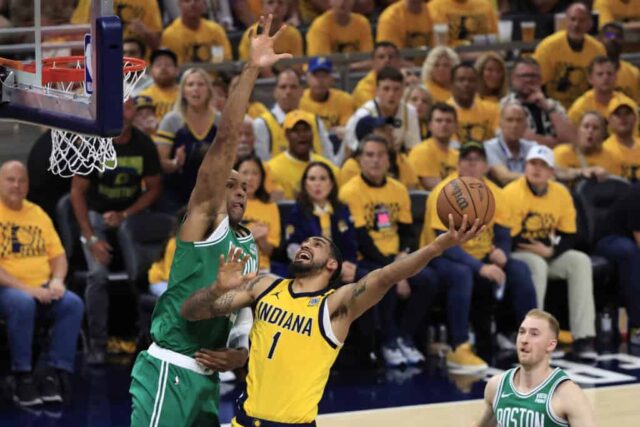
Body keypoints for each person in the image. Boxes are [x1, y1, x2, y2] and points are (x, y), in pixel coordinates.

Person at [129, 15, 290, 426]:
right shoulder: (201, 222)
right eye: (229, 183)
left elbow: (241, 315)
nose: (237, 190)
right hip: (170, 368)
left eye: (243, 186)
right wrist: (252, 70)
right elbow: (225, 140)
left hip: (207, 380)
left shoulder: (249, 245)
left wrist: (240, 353)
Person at [180, 211, 479, 426]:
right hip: (242, 422)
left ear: (332, 264)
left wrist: (437, 247)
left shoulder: (335, 306)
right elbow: (191, 312)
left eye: (317, 244)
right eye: (305, 243)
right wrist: (216, 289)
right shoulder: (264, 284)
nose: (307, 245)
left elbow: (387, 276)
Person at [421, 143, 538, 369]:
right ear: (458, 164)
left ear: (486, 165)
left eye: (477, 159)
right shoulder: (444, 192)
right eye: (466, 159)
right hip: (439, 257)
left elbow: (503, 233)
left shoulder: (496, 193)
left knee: (519, 269)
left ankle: (530, 340)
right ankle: (459, 348)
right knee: (462, 274)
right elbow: (445, 244)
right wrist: (480, 267)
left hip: (481, 255)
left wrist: (501, 251)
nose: (472, 164)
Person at [70, 99, 162, 365]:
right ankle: (97, 344)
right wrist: (91, 238)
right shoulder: (94, 142)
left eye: (129, 107)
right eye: (118, 106)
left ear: (135, 112)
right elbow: (76, 194)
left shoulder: (144, 144)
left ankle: (145, 339)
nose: (123, 112)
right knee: (97, 276)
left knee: (141, 274)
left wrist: (126, 213)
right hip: (96, 216)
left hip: (129, 216)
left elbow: (155, 187)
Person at [340, 135, 437, 366]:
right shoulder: (350, 191)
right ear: (360, 160)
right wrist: (395, 270)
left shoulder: (399, 189)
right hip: (367, 259)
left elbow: (407, 232)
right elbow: (362, 240)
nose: (375, 160)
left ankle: (404, 336)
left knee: (429, 279)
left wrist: (403, 255)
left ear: (389, 160)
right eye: (369, 155)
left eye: (380, 155)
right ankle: (388, 342)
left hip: (396, 257)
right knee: (384, 281)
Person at [0, 161, 84, 406]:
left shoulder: (37, 213)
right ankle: (22, 377)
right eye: (10, 179)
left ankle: (52, 373)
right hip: (9, 290)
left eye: (21, 180)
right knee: (23, 303)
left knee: (72, 303)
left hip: (42, 288)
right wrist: (30, 290)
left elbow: (58, 256)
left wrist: (57, 281)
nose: (17, 185)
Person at [504, 145, 597, 359]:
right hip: (519, 252)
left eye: (543, 165)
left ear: (551, 172)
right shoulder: (511, 193)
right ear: (525, 167)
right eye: (533, 164)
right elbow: (511, 237)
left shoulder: (561, 193)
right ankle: (535, 338)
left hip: (547, 251)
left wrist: (551, 251)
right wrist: (542, 250)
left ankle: (584, 338)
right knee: (535, 265)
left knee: (580, 261)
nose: (537, 169)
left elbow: (570, 233)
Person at [475, 309, 596, 427]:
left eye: (534, 334)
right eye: (522, 332)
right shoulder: (497, 386)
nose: (524, 339)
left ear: (551, 345)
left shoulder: (568, 394)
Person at [154, 67, 220, 214]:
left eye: (201, 84)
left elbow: (231, 160)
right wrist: (175, 163)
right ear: (183, 91)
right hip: (175, 192)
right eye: (190, 85)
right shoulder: (171, 120)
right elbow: (160, 163)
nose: (195, 89)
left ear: (209, 89)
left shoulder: (220, 121)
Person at [286, 162, 357, 283]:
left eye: (323, 178)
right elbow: (292, 247)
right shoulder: (295, 212)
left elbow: (350, 244)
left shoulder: (342, 210)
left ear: (331, 184)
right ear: (305, 184)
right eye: (312, 179)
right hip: (309, 270)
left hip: (340, 268)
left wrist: (348, 265)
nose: (317, 184)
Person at [253, 68, 339, 164]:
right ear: (275, 92)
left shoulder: (315, 121)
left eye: (293, 87)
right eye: (283, 87)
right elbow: (261, 165)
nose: (288, 92)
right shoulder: (262, 124)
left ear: (301, 91)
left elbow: (330, 161)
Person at [533, 2, 606, 109]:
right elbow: (537, 84)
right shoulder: (547, 46)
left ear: (590, 24)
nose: (576, 25)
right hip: (552, 107)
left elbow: (600, 86)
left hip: (586, 108)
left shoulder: (598, 49)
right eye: (573, 19)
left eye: (581, 20)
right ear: (565, 21)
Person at [594, 184, 640, 347]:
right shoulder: (637, 194)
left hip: (631, 244)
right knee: (632, 254)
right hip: (609, 240)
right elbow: (638, 237)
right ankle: (637, 327)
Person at [501, 57, 575, 148]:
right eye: (524, 76)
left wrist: (548, 108)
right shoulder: (505, 105)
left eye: (534, 76)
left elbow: (572, 139)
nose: (529, 80)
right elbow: (522, 139)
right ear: (513, 79)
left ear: (540, 80)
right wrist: (557, 144)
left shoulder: (553, 105)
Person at [345, 66, 421, 155]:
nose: (391, 94)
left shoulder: (409, 111)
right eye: (386, 89)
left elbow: (413, 150)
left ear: (403, 90)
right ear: (377, 91)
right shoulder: (363, 114)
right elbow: (350, 151)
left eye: (396, 89)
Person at [266, 110, 339, 200]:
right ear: (287, 135)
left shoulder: (327, 168)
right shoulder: (271, 169)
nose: (302, 135)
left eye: (306, 130)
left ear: (312, 133)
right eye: (296, 131)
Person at [340, 116, 419, 189]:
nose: (391, 134)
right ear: (368, 137)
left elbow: (413, 193)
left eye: (390, 129)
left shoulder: (401, 159)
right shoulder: (352, 167)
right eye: (383, 130)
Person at [235, 155, 281, 273]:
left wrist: (261, 239)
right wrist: (250, 234)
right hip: (232, 268)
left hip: (262, 269)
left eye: (255, 173)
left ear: (262, 178)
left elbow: (270, 252)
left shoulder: (271, 207)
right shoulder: (225, 203)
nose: (250, 178)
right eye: (245, 172)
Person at [568, 56, 638, 126]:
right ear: (590, 79)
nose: (605, 78)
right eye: (600, 74)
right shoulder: (580, 108)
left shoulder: (628, 106)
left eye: (609, 74)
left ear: (616, 77)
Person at [71, 0, 162, 53]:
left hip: (135, 64)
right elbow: (76, 32)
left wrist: (145, 32)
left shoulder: (149, 2)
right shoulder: (91, 1)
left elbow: (156, 45)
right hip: (99, 57)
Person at [238, 0, 303, 74]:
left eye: (280, 3)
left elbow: (298, 66)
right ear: (262, 8)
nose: (276, 6)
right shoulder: (251, 34)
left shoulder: (293, 35)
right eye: (270, 2)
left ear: (286, 8)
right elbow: (245, 68)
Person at [299, 57, 355, 141]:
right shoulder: (298, 100)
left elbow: (347, 130)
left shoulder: (344, 99)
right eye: (316, 76)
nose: (320, 81)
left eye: (324, 76)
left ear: (332, 79)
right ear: (307, 78)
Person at [160, 0, 232, 66]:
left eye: (197, 0)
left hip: (213, 78)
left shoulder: (215, 31)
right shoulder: (169, 36)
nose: (192, 4)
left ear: (204, 4)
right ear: (179, 4)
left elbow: (220, 62)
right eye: (187, 1)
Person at [553, 111, 616, 184]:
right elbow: (554, 172)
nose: (590, 131)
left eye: (595, 128)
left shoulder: (610, 157)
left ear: (603, 134)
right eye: (586, 127)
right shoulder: (561, 152)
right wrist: (580, 172)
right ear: (578, 130)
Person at [485, 101, 538, 186]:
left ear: (526, 125)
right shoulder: (489, 147)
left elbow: (552, 170)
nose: (514, 125)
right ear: (500, 124)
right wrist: (539, 177)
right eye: (509, 120)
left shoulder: (532, 147)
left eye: (519, 120)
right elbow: (504, 177)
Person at [408, 102, 459, 190]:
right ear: (430, 126)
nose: (444, 124)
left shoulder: (458, 155)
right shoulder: (421, 151)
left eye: (448, 121)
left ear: (456, 126)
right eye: (439, 120)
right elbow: (434, 186)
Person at [447, 63, 499, 145]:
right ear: (451, 84)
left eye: (471, 80)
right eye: (461, 80)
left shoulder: (493, 109)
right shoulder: (443, 112)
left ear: (477, 84)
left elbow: (502, 141)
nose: (466, 84)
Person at [305, 0, 373, 56]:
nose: (343, 2)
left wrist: (348, 68)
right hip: (325, 72)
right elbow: (320, 64)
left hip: (358, 71)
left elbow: (369, 59)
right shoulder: (319, 26)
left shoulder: (363, 23)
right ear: (330, 1)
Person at [352, 41, 402, 108]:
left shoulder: (405, 80)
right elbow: (379, 112)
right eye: (381, 57)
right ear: (372, 62)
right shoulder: (363, 89)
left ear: (398, 61)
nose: (387, 60)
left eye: (391, 57)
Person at [598, 22, 640, 101]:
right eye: (609, 35)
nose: (613, 38)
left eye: (618, 36)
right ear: (600, 39)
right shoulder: (589, 70)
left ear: (624, 41)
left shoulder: (634, 72)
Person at [427, 0, 498, 46]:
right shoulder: (435, 6)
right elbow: (442, 45)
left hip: (487, 55)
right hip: (454, 58)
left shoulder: (485, 4)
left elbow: (497, 37)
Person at [604, 97, 640, 182]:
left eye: (627, 113)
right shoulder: (604, 150)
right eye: (617, 114)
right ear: (610, 120)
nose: (623, 118)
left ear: (635, 117)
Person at [139, 49, 180, 122]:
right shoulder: (144, 96)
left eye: (168, 65)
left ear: (177, 70)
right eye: (158, 65)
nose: (163, 68)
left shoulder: (186, 94)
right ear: (151, 71)